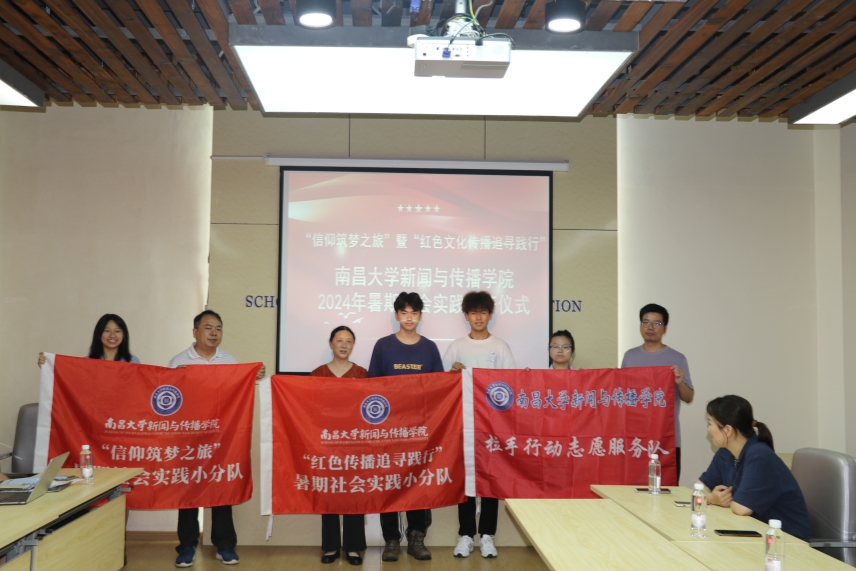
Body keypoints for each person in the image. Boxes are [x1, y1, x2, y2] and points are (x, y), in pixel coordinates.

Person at [168, 310, 266, 568]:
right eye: (208, 327)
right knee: (188, 491)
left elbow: (236, 393)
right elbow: (167, 399)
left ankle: (225, 545)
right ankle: (187, 545)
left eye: (218, 328)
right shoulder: (178, 362)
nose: (214, 333)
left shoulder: (229, 360)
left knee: (222, 487)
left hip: (221, 439)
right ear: (195, 332)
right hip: (189, 440)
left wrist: (251, 375)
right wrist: (175, 378)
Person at [368, 292, 443, 563]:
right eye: (404, 312)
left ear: (420, 316)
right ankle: (391, 540)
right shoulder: (383, 346)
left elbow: (439, 389)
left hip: (420, 431)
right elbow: (371, 388)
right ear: (396, 315)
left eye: (414, 313)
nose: (409, 317)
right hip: (388, 429)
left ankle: (416, 538)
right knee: (389, 483)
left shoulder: (429, 348)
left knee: (418, 483)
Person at [443, 291, 514, 559]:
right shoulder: (456, 347)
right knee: (466, 479)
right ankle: (465, 535)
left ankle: (487, 535)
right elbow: (441, 385)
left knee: (490, 479)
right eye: (473, 312)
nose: (478, 317)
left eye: (483, 312)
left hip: (492, 425)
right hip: (462, 424)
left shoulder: (501, 347)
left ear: (490, 315)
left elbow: (512, 384)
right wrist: (451, 374)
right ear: (466, 316)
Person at [698, 395, 812, 540]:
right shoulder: (725, 453)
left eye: (710, 423)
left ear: (727, 430)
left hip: (787, 542)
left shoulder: (759, 455)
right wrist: (712, 498)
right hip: (755, 534)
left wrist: (718, 500)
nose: (708, 429)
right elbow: (700, 487)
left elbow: (741, 508)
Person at [311, 326, 367, 566]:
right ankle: (331, 546)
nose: (344, 345)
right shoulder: (318, 373)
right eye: (339, 340)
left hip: (355, 443)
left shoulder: (362, 374)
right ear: (330, 343)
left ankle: (353, 547)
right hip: (326, 444)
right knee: (329, 493)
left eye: (349, 341)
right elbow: (309, 408)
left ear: (353, 345)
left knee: (354, 493)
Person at [621, 303, 693, 481]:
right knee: (632, 488)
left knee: (666, 488)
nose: (650, 327)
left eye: (657, 323)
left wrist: (680, 382)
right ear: (640, 326)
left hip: (666, 438)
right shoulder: (630, 356)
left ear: (665, 329)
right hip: (635, 437)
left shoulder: (677, 358)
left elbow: (688, 397)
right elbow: (621, 393)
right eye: (645, 322)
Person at [38, 313, 140, 367]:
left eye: (117, 331)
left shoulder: (133, 362)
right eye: (107, 330)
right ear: (99, 334)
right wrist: (48, 364)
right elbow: (70, 381)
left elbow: (138, 389)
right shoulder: (86, 362)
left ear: (124, 335)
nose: (112, 335)